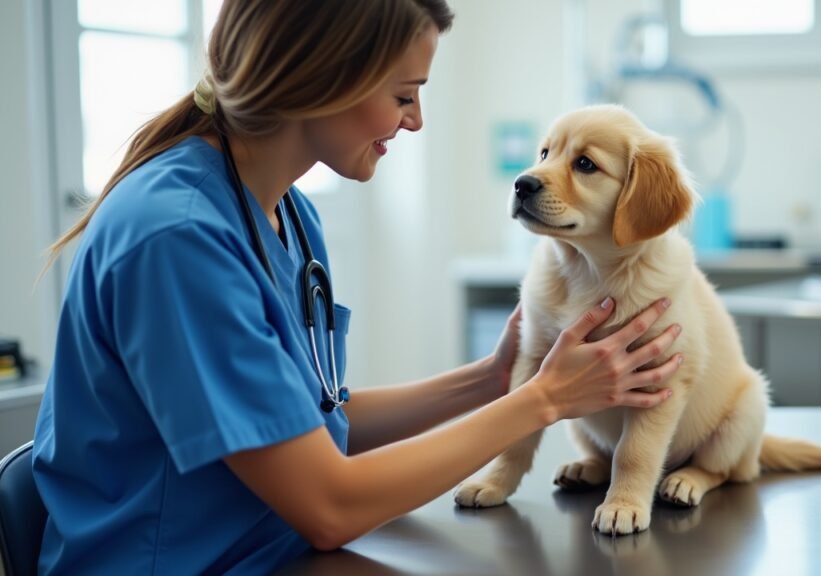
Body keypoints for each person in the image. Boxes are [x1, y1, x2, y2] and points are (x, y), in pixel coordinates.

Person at [32, 1, 682, 573]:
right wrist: (544, 399)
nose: (416, 120)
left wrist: (493, 378)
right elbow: (329, 506)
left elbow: (315, 423)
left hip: (274, 552)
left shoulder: (287, 213)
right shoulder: (177, 238)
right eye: (404, 95)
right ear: (324, 77)